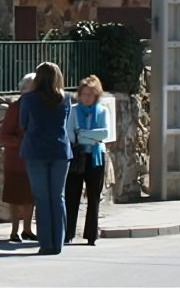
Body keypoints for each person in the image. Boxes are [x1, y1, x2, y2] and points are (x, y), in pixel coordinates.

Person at [19, 62, 72, 255]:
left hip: (35, 151)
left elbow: (23, 124)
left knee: (41, 198)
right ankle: (58, 243)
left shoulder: (29, 99)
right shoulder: (66, 99)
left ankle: (46, 243)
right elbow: (65, 123)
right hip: (60, 150)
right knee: (58, 197)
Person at [65, 75, 114, 246]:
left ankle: (91, 234)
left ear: (96, 95)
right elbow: (70, 133)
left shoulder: (102, 111)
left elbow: (104, 134)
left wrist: (83, 134)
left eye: (90, 94)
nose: (86, 97)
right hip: (78, 156)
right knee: (72, 196)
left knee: (94, 197)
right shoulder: (73, 110)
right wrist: (88, 136)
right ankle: (68, 232)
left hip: (95, 157)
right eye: (84, 94)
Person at [0, 73, 37, 243]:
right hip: (16, 160)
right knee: (15, 198)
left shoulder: (39, 106)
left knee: (31, 197)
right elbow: (5, 136)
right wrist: (24, 142)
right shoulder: (15, 108)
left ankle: (28, 229)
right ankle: (14, 231)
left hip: (32, 159)